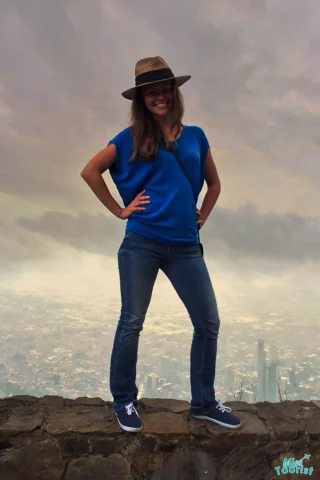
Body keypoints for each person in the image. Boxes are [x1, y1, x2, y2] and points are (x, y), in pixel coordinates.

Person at [81, 56, 242, 433]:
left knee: (208, 322)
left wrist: (202, 212)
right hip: (142, 242)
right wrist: (120, 210)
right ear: (142, 99)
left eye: (164, 89)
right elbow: (90, 171)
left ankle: (203, 403)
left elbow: (214, 183)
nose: (159, 97)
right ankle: (124, 401)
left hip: (186, 246)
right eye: (151, 92)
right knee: (132, 322)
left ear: (174, 91)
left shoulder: (196, 136)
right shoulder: (129, 139)